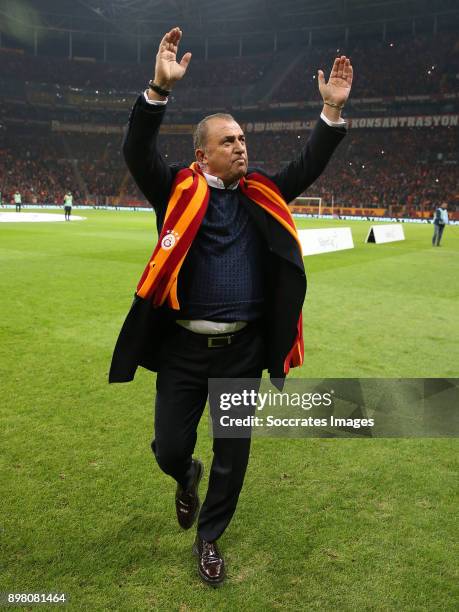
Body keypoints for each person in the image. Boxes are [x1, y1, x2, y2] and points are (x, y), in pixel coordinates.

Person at [109, 27, 353, 586]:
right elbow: (135, 151)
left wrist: (330, 113)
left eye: (243, 139)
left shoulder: (262, 191)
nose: (242, 146)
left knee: (233, 457)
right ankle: (183, 473)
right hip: (181, 352)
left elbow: (307, 165)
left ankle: (210, 539)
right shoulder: (174, 188)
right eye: (229, 141)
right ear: (203, 154)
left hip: (241, 351)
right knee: (170, 447)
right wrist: (157, 92)